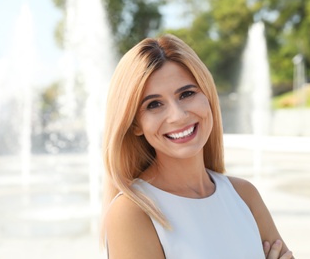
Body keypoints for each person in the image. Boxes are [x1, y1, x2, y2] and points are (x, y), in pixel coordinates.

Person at [101, 34, 293, 259]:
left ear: (208, 96)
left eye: (187, 94)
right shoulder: (131, 212)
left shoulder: (244, 195)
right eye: (154, 104)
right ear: (135, 124)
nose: (178, 115)